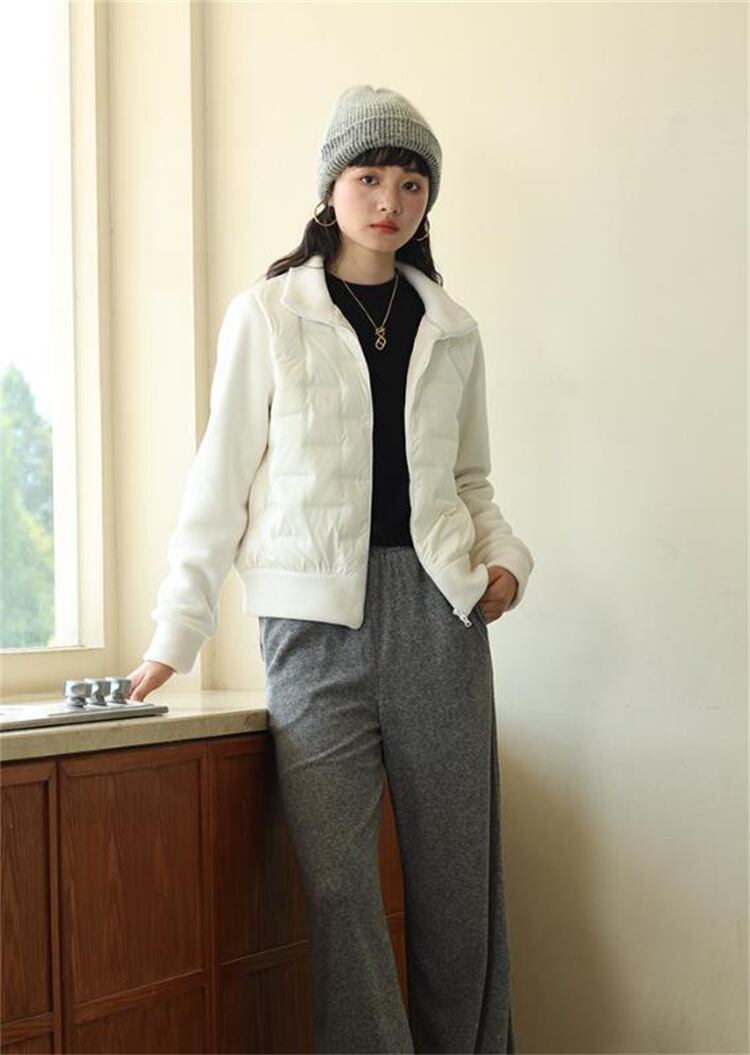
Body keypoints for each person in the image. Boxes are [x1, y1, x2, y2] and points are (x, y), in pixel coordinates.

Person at [128, 84, 533, 1055]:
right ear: (330, 186)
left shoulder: (453, 328)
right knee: (342, 884)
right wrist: (176, 633)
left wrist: (505, 562)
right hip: (311, 631)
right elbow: (219, 480)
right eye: (369, 177)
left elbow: (470, 481)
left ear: (428, 200)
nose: (389, 200)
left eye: (411, 183)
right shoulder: (268, 315)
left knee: (457, 891)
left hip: (440, 618)